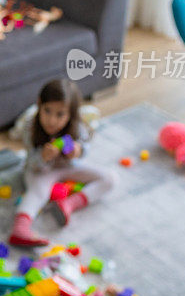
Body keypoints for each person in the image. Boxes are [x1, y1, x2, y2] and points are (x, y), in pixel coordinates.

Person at [8, 78, 118, 247]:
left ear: (71, 113)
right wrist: (43, 157)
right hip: (40, 171)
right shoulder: (31, 126)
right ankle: (20, 229)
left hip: (68, 167)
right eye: (47, 111)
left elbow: (84, 147)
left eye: (60, 115)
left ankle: (68, 204)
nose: (51, 121)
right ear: (39, 104)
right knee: (39, 193)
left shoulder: (77, 126)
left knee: (110, 178)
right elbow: (30, 162)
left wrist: (78, 151)